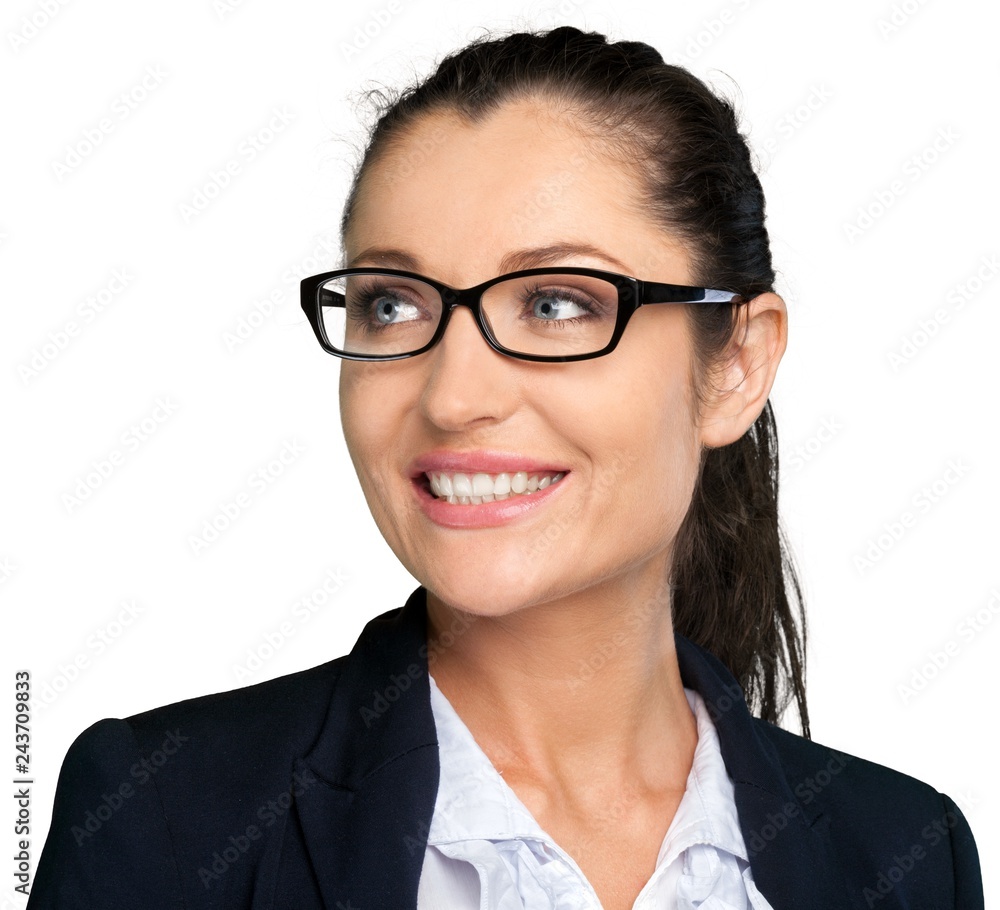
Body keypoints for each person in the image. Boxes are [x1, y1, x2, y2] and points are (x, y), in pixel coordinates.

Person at [27, 25, 982, 910]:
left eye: (557, 303)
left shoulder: (906, 854)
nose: (452, 397)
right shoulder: (161, 822)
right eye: (393, 304)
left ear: (735, 364)